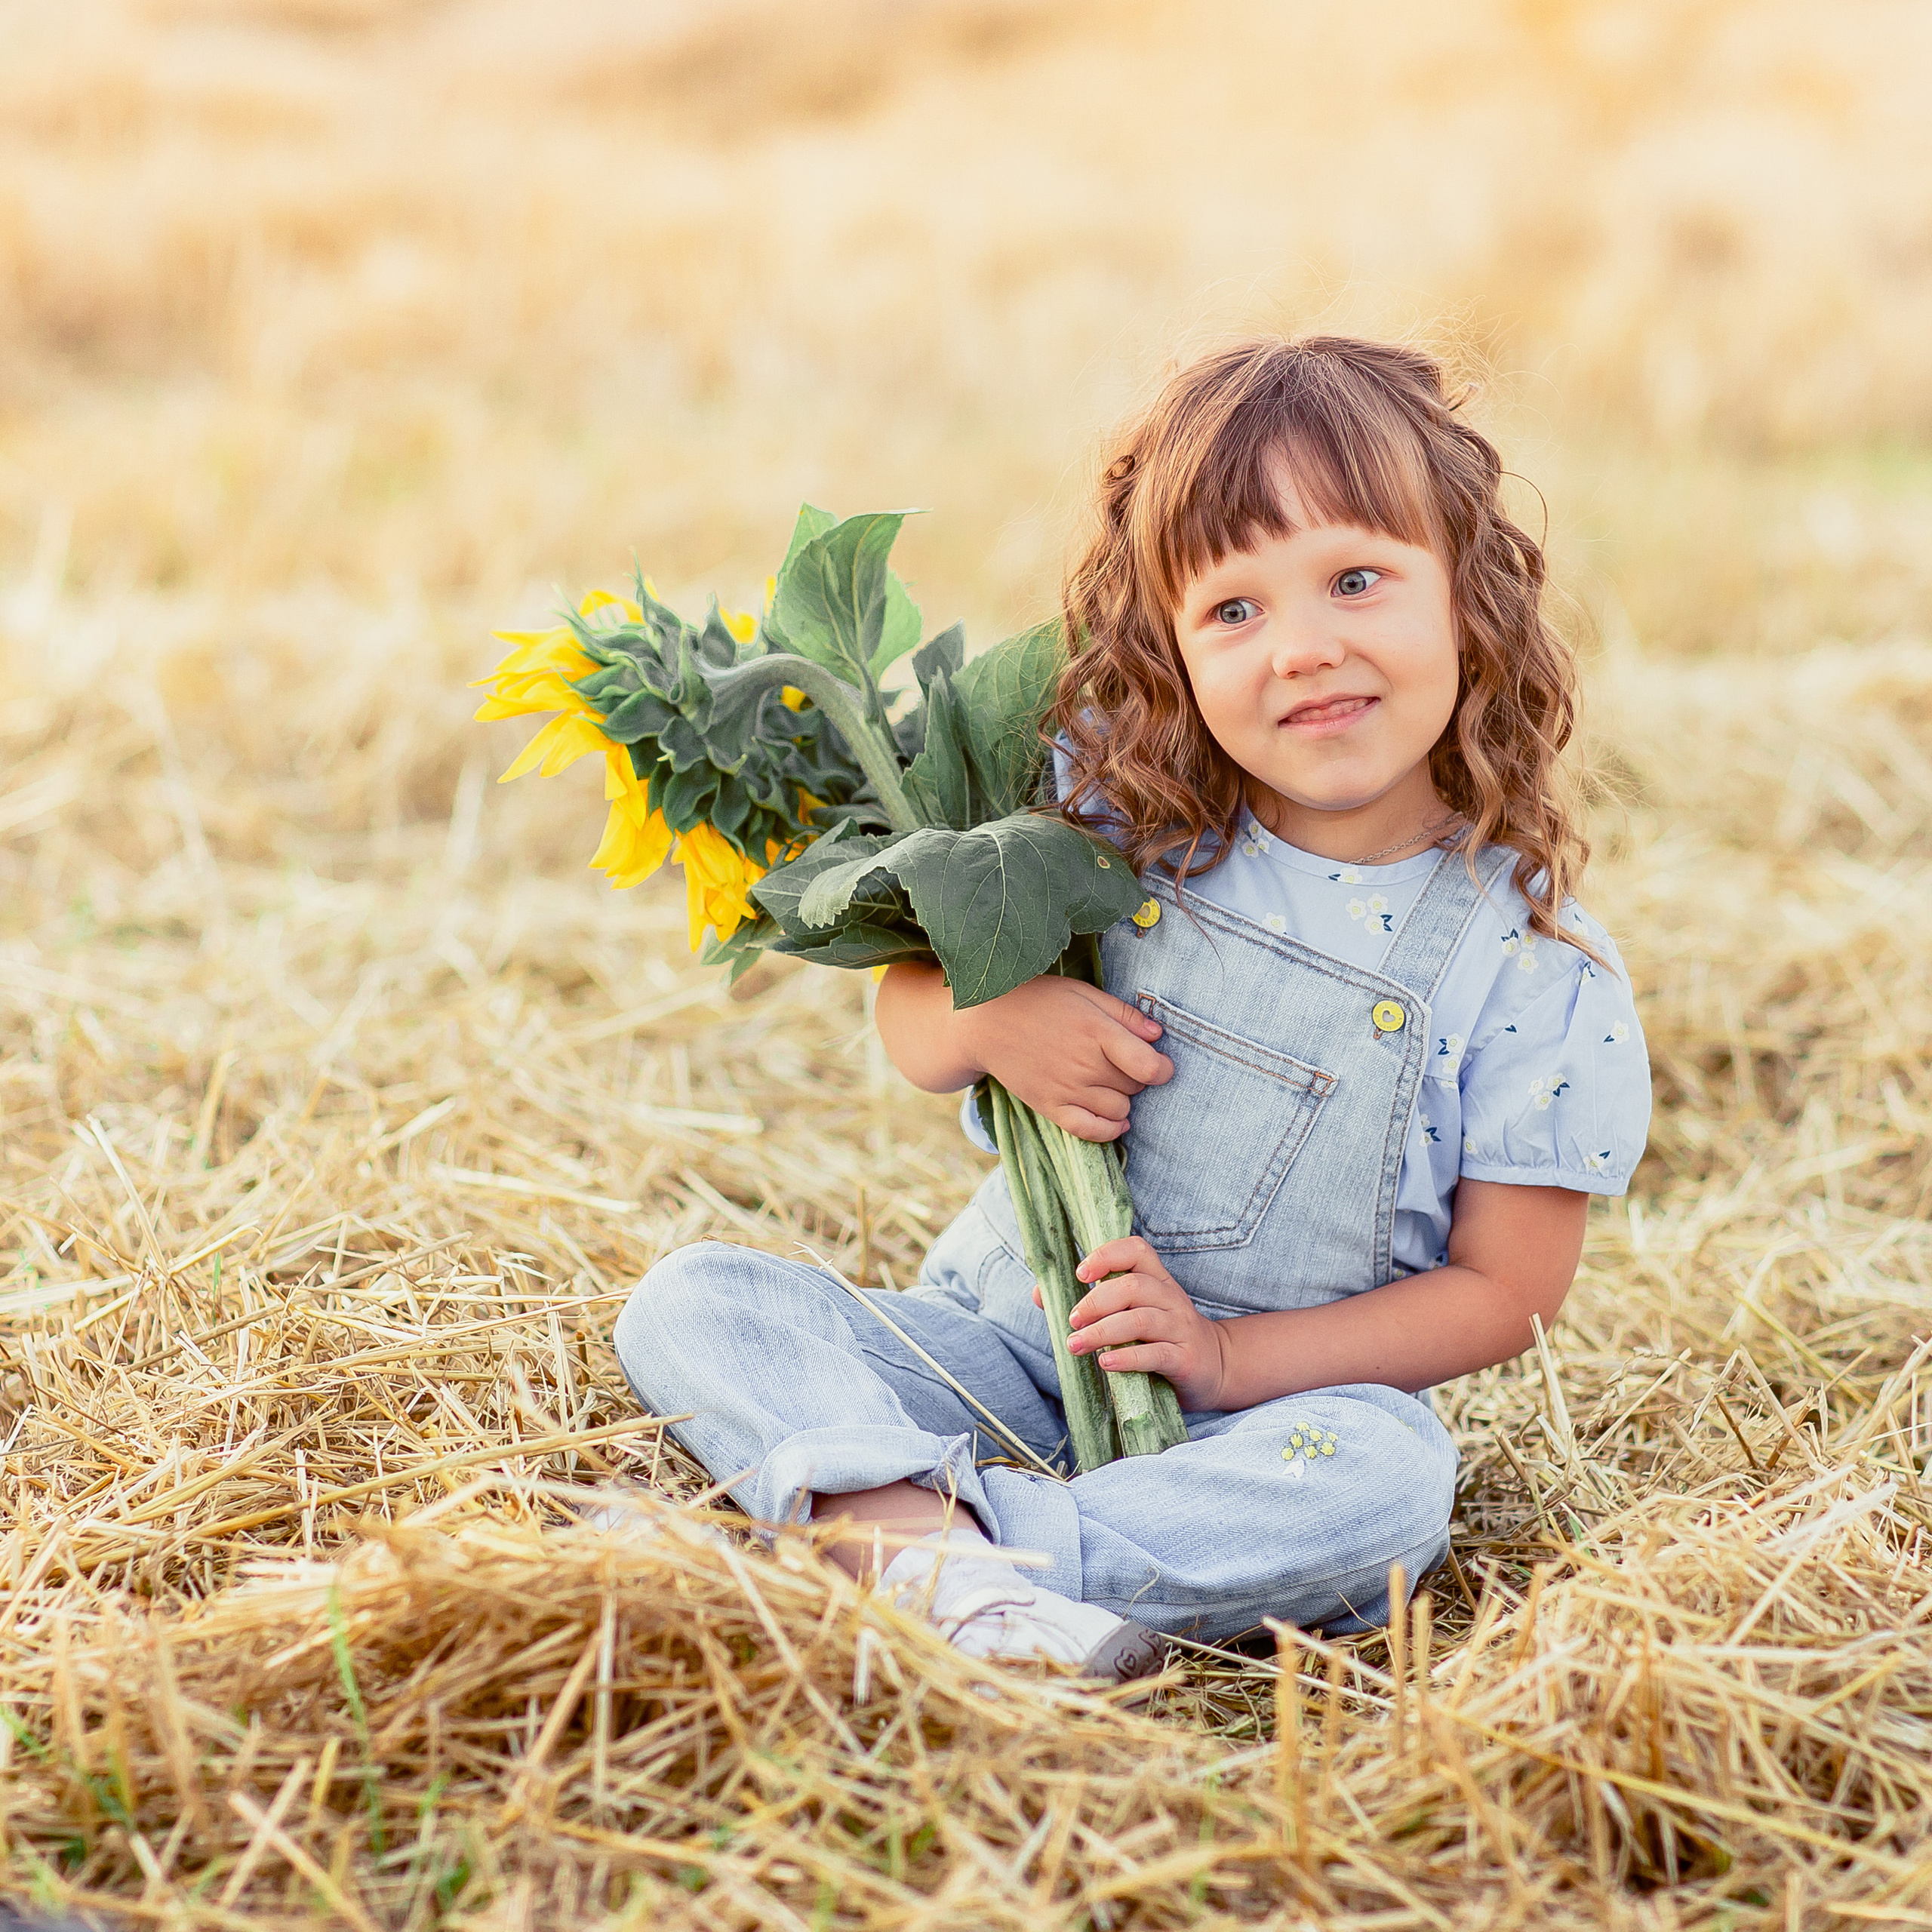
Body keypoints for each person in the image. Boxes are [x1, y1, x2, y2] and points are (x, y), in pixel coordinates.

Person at [614, 337, 1652, 1682]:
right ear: (1168, 645)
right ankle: (957, 1567)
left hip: (1258, 1419)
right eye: (1235, 610)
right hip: (1004, 1348)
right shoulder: (1113, 821)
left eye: (1355, 580)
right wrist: (984, 1018)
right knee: (702, 1304)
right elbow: (912, 1016)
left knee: (1391, 1486)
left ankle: (923, 1553)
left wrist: (1224, 1357)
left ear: (1471, 590)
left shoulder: (1533, 965)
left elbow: (1506, 1293)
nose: (1305, 650)